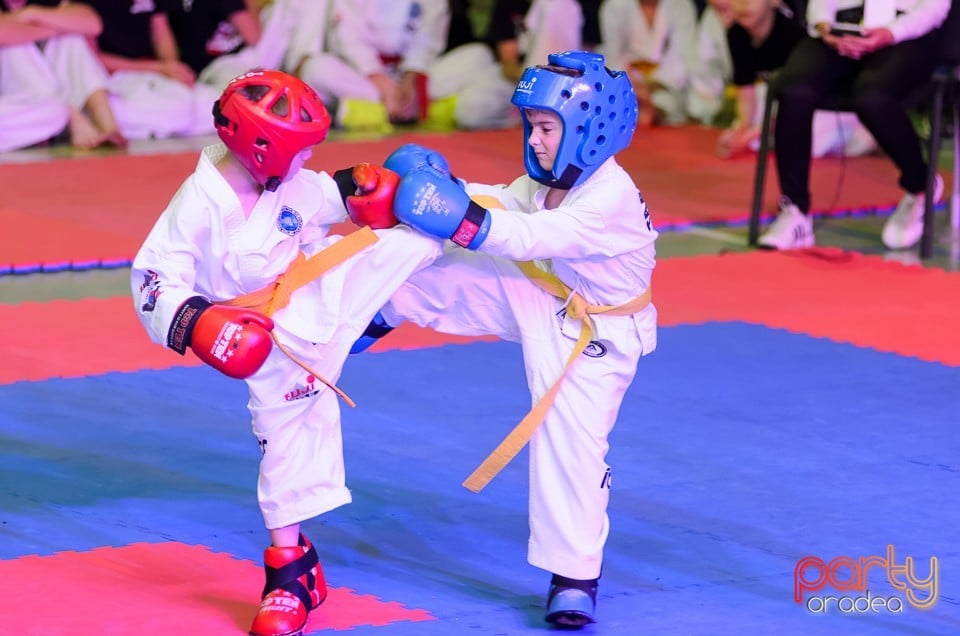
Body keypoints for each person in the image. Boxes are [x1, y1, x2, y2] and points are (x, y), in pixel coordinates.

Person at [129, 69, 443, 636]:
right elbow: (152, 277)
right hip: (269, 335)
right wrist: (197, 323)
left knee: (424, 232)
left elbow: (323, 195)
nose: (305, 163)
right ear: (261, 149)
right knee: (283, 443)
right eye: (299, 152)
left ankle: (388, 309)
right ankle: (291, 574)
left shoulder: (283, 176)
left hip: (324, 284)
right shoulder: (201, 202)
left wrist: (358, 185)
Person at [359, 50, 657, 627]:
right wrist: (445, 185)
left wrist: (457, 214)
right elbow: (505, 199)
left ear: (591, 129)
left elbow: (517, 233)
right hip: (546, 293)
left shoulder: (607, 197)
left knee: (569, 440)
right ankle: (350, 326)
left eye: (547, 127)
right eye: (532, 126)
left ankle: (575, 575)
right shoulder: (551, 179)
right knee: (429, 266)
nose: (536, 140)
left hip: (598, 336)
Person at [758, 0, 950, 250]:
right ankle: (795, 211)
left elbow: (935, 8)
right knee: (794, 90)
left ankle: (920, 183)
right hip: (841, 27)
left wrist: (891, 33)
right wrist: (824, 26)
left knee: (872, 98)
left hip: (906, 33)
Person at [0, 0, 126, 150]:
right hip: (16, 100)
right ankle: (71, 117)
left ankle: (106, 124)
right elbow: (4, 33)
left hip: (40, 100)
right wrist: (58, 27)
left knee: (71, 40)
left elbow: (92, 24)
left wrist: (32, 13)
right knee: (14, 47)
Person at [85, 0, 219, 140]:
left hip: (153, 75)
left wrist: (173, 70)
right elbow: (89, 58)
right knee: (178, 110)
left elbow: (161, 31)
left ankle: (156, 127)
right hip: (113, 77)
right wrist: (158, 68)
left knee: (214, 106)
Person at [598, 0, 700, 126]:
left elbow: (681, 54)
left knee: (666, 102)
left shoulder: (681, 5)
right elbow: (614, 53)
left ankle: (655, 110)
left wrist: (651, 89)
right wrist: (633, 87)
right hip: (627, 83)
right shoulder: (615, 5)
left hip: (667, 86)